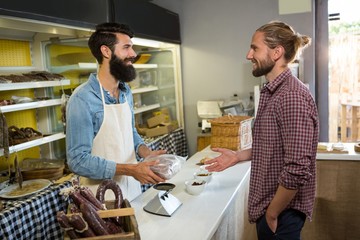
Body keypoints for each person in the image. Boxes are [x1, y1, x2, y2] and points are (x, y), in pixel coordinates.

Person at [205, 21, 319, 240]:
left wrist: (272, 213)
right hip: (272, 210)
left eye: (255, 48)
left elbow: (297, 168)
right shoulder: (272, 92)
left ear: (277, 53)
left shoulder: (291, 97)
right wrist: (238, 156)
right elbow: (271, 146)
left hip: (281, 213)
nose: (248, 55)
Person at [66, 22, 166, 201]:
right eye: (126, 47)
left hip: (133, 190)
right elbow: (77, 161)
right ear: (106, 52)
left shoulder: (126, 92)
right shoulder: (82, 99)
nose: (133, 54)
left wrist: (145, 153)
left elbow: (130, 132)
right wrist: (130, 169)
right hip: (102, 200)